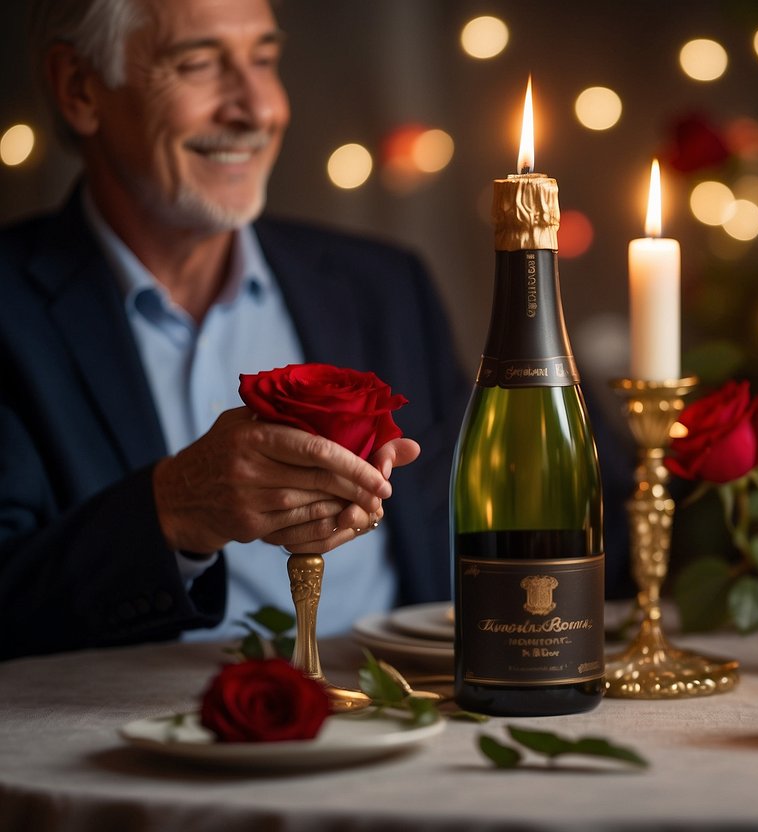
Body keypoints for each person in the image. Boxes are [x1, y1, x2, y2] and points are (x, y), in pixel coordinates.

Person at [0, 0, 468, 660]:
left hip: (407, 728)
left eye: (264, 60)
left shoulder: (386, 286)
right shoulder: (10, 313)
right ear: (79, 90)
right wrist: (175, 511)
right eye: (197, 64)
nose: (256, 109)